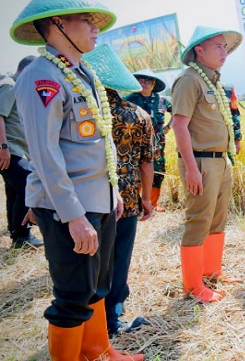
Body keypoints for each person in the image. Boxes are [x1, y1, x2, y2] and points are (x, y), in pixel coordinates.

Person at [10, 0, 144, 360]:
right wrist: (74, 217)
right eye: (86, 20)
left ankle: (99, 349)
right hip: (68, 207)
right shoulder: (42, 76)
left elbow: (95, 142)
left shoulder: (82, 73)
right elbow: (46, 153)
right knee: (72, 296)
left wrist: (112, 191)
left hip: (97, 199)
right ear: (57, 24)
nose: (95, 28)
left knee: (98, 286)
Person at [83, 44, 155, 337]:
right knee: (119, 260)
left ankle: (89, 325)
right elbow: (147, 163)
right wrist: (147, 199)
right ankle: (112, 321)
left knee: (92, 262)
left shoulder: (84, 113)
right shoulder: (138, 115)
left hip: (88, 199)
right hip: (126, 199)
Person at [171, 26, 243, 303]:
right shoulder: (189, 80)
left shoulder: (212, 81)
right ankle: (192, 285)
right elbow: (179, 125)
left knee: (217, 218)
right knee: (199, 220)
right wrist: (190, 167)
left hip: (219, 159)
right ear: (198, 51)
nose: (224, 52)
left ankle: (211, 271)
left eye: (225, 47)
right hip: (200, 161)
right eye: (218, 47)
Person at [0, 55, 44, 249]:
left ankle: (17, 233)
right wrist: (3, 148)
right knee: (28, 183)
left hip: (17, 149)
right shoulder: (10, 86)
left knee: (15, 190)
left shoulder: (18, 88)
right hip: (10, 148)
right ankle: (22, 234)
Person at [126, 69, 171, 212]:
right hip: (135, 145)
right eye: (140, 80)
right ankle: (137, 203)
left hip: (157, 145)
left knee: (157, 172)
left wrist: (169, 127)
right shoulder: (129, 100)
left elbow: (179, 112)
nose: (143, 83)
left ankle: (153, 203)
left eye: (147, 81)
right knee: (135, 172)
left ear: (154, 84)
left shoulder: (163, 100)